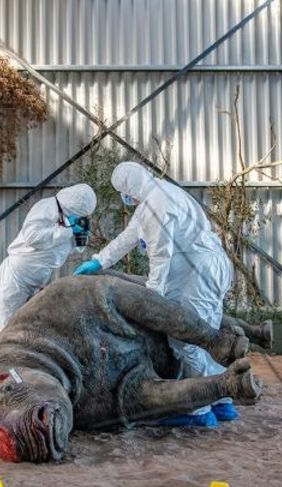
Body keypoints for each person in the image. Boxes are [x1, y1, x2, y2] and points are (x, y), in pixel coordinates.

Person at [74, 161, 236, 427]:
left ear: (128, 188)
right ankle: (223, 401)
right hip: (209, 265)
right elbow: (129, 237)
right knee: (208, 335)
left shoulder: (154, 206)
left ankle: (198, 409)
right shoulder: (160, 192)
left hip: (196, 272)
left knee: (187, 339)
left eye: (121, 191)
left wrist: (151, 300)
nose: (123, 197)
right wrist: (99, 261)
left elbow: (161, 255)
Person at [0, 183, 96, 344]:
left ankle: (20, 364)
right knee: (3, 325)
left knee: (27, 328)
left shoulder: (68, 218)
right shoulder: (45, 207)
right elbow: (32, 237)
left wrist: (80, 238)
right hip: (16, 277)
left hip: (39, 279)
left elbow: (62, 249)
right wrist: (68, 231)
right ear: (67, 207)